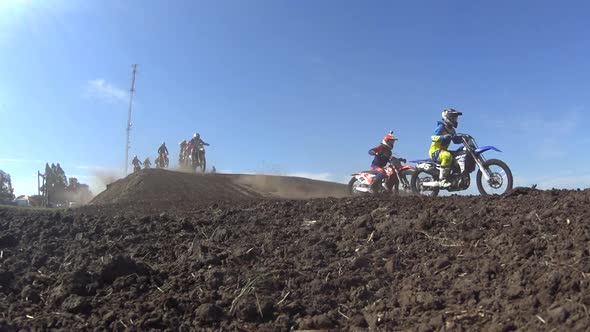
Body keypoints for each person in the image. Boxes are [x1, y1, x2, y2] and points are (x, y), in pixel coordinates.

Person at [429, 108, 463, 187]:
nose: (455, 119)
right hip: (435, 151)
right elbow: (433, 137)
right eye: (453, 117)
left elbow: (455, 141)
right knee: (447, 156)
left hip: (443, 150)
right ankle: (442, 179)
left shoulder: (452, 130)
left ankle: (453, 176)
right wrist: (443, 137)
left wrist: (461, 139)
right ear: (447, 117)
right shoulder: (441, 127)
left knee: (459, 154)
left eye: (456, 118)